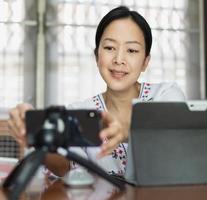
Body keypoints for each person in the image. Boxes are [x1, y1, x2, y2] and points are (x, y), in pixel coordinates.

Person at [8, 6, 185, 177]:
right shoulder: (81, 113)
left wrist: (126, 129)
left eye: (131, 50)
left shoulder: (166, 94)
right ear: (97, 56)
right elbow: (64, 167)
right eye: (109, 48)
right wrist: (37, 132)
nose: (119, 59)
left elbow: (170, 134)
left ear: (145, 62)